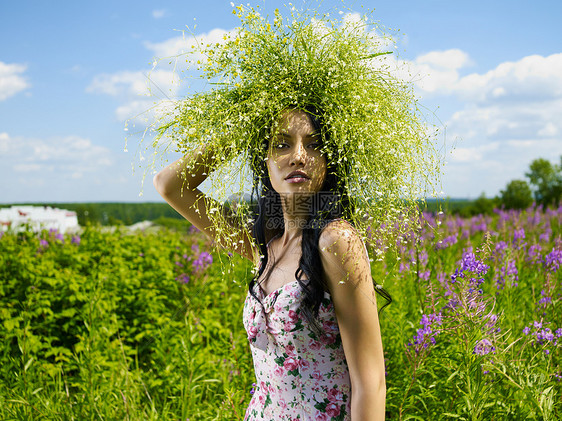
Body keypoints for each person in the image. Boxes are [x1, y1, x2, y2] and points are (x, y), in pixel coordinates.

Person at [154, 107, 388, 420]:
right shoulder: (264, 246)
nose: (299, 156)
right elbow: (170, 185)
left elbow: (371, 383)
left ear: (330, 161)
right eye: (281, 144)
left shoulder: (336, 241)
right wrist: (243, 128)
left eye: (314, 144)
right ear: (264, 160)